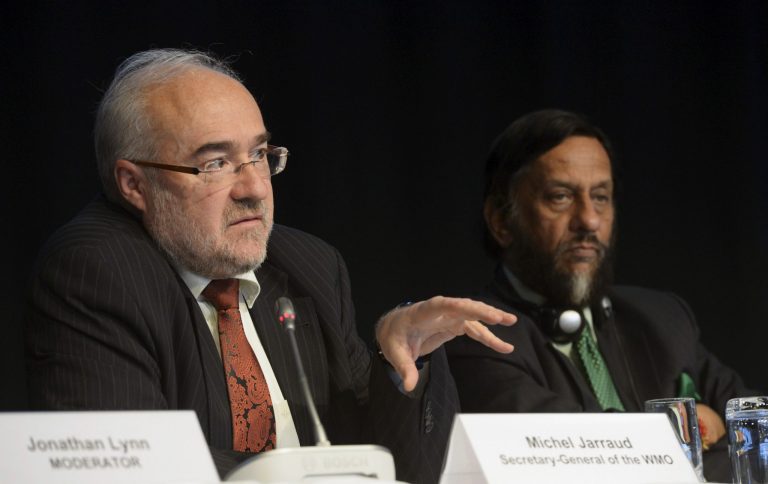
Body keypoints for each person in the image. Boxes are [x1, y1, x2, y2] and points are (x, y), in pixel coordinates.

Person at [23, 48, 516, 484]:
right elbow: (135, 466)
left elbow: (404, 470)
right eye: (215, 163)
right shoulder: (97, 270)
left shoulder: (309, 266)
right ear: (134, 184)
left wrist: (399, 364)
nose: (254, 188)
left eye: (258, 155)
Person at [444, 109, 755, 482]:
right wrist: (691, 435)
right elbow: (588, 460)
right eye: (560, 197)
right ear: (500, 220)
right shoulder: (474, 335)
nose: (589, 220)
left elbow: (754, 432)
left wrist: (682, 447)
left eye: (601, 197)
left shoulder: (662, 317)